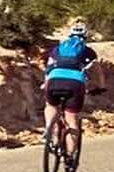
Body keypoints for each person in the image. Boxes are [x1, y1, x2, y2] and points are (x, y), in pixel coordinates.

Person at [42, 18, 98, 159]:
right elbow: (98, 72)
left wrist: (45, 83)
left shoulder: (57, 49)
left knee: (51, 105)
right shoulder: (88, 52)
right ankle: (69, 156)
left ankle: (49, 129)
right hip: (75, 83)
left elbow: (48, 69)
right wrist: (100, 87)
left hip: (54, 80)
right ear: (86, 37)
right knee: (72, 118)